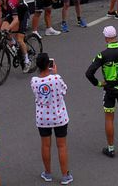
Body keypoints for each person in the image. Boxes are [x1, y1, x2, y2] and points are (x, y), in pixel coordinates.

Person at [85, 26, 118, 157]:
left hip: (109, 92)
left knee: (109, 119)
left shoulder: (102, 55)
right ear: (116, 37)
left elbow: (89, 73)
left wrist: (98, 83)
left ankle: (111, 149)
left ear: (106, 38)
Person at [31, 53, 73, 184]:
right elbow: (64, 90)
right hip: (59, 116)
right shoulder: (56, 78)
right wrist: (55, 74)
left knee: (45, 145)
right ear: (48, 65)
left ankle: (48, 173)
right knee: (61, 146)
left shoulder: (34, 81)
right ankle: (65, 175)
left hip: (43, 118)